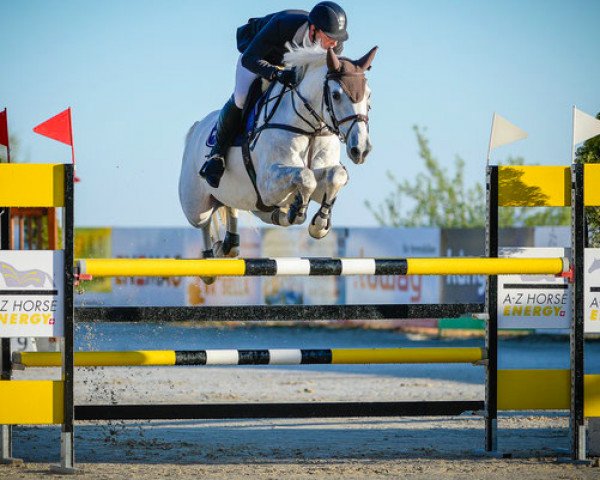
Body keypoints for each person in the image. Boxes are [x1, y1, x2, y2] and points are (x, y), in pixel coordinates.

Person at [199, 2, 349, 188]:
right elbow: (249, 59)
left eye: (337, 39)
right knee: (241, 97)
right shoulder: (283, 25)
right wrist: (274, 73)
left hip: (290, 65)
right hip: (259, 57)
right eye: (329, 38)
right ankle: (216, 155)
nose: (334, 44)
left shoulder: (335, 44)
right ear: (313, 30)